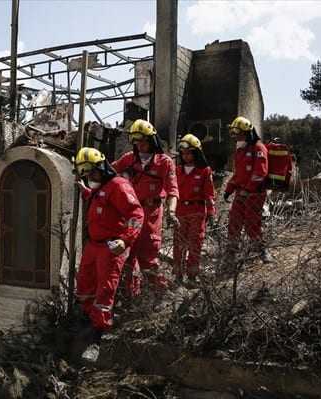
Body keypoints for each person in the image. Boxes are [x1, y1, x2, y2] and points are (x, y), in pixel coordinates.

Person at [73, 147, 144, 362]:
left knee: (105, 292)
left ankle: (97, 338)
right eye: (86, 174)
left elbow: (136, 213)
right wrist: (84, 189)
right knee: (84, 285)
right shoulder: (100, 187)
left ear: (102, 168)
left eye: (92, 173)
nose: (90, 177)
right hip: (93, 246)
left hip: (110, 247)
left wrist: (125, 239)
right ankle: (88, 322)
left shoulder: (119, 186)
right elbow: (100, 202)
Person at [112, 119, 178, 296]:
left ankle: (159, 296)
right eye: (137, 142)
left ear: (152, 140)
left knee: (148, 256)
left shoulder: (164, 162)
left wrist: (172, 211)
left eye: (144, 141)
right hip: (130, 213)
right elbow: (109, 172)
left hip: (151, 213)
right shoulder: (128, 159)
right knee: (127, 256)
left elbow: (173, 189)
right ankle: (130, 296)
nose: (140, 145)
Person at [223, 116, 274, 264]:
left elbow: (260, 173)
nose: (236, 136)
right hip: (241, 193)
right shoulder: (240, 151)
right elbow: (237, 174)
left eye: (239, 133)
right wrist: (229, 189)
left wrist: (248, 189)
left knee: (252, 223)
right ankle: (231, 253)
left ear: (247, 133)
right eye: (235, 133)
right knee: (234, 222)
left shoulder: (259, 148)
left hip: (255, 194)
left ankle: (262, 251)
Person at [172, 133, 216, 284]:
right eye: (183, 153)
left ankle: (192, 275)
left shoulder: (205, 171)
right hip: (180, 212)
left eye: (189, 153)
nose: (185, 156)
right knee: (178, 244)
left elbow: (209, 194)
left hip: (197, 211)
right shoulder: (177, 170)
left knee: (195, 243)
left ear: (196, 153)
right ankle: (177, 274)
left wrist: (211, 213)